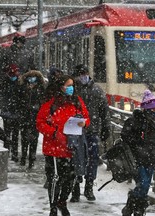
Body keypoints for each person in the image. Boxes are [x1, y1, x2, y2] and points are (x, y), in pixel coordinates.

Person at [36, 75, 90, 216]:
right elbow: (40, 122)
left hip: (72, 147)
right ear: (60, 87)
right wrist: (54, 133)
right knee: (55, 178)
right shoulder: (50, 103)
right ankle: (53, 207)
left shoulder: (77, 101)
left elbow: (86, 118)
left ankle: (62, 201)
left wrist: (84, 123)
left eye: (72, 85)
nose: (71, 88)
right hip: (54, 147)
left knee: (71, 178)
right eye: (68, 85)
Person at [70, 64, 110, 202]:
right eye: (80, 74)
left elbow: (104, 111)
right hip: (74, 132)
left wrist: (106, 127)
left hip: (92, 130)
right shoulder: (72, 90)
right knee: (75, 159)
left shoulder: (97, 90)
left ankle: (89, 186)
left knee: (92, 159)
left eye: (85, 73)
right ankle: (75, 186)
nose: (83, 76)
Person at [120, 89, 155, 216]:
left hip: (150, 159)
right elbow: (125, 135)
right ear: (148, 109)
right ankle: (136, 208)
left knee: (145, 187)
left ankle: (134, 208)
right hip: (137, 159)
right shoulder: (136, 121)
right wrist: (137, 143)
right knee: (143, 184)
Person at [19, 70, 46, 169]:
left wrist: (37, 108)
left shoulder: (41, 88)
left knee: (34, 139)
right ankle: (23, 156)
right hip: (25, 116)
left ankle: (31, 159)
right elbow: (19, 101)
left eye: (34, 77)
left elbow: (42, 101)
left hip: (35, 116)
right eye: (30, 77)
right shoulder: (23, 87)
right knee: (24, 138)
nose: (32, 79)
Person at [0, 64, 23, 162]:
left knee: (15, 134)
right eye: (16, 71)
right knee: (7, 134)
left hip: (15, 111)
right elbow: (0, 96)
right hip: (8, 111)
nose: (17, 73)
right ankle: (8, 152)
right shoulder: (5, 82)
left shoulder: (19, 83)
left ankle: (14, 154)